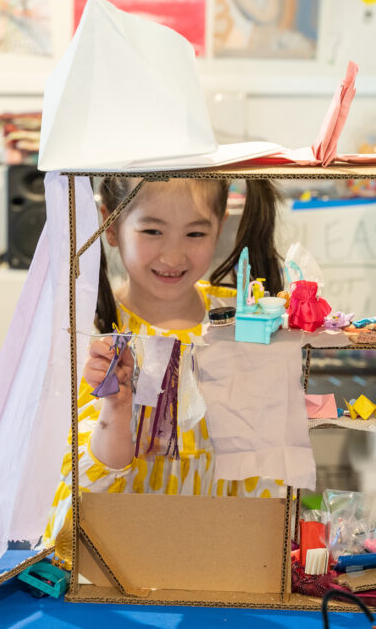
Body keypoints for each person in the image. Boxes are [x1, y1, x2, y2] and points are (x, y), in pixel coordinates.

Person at [42, 175, 285, 564]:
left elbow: (265, 461)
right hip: (116, 557)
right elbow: (90, 475)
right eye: (152, 230)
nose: (173, 257)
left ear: (220, 225)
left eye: (194, 233)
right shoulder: (96, 329)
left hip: (220, 554)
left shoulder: (241, 319)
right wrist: (118, 409)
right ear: (111, 225)